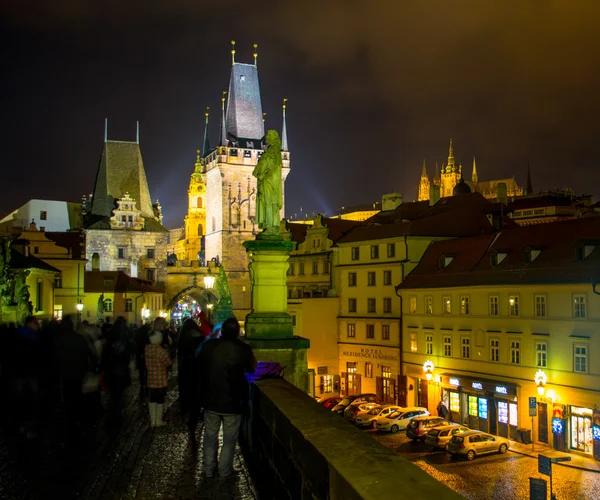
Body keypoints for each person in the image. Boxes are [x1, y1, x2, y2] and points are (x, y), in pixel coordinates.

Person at [198, 317, 257, 478]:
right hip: (233, 400)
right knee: (230, 439)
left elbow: (199, 367)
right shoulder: (243, 348)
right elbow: (252, 369)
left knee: (210, 436)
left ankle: (208, 469)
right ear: (237, 332)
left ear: (222, 331)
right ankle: (224, 471)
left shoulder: (209, 346)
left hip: (210, 398)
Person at [55, 315, 93, 440]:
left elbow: (55, 356)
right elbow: (85, 354)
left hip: (66, 372)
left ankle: (69, 416)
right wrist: (85, 369)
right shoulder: (79, 338)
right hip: (78, 372)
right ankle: (76, 416)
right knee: (77, 394)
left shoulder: (59, 339)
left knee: (67, 394)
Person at [100, 316, 133, 426]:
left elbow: (104, 356)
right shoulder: (125, 339)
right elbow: (131, 351)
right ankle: (116, 414)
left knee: (113, 393)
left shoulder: (110, 339)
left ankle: (112, 413)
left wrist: (102, 368)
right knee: (118, 394)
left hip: (112, 370)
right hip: (120, 370)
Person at [13, 316, 41, 439]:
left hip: (18, 371)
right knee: (32, 399)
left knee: (20, 398)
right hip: (31, 372)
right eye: (36, 323)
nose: (38, 325)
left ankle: (20, 424)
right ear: (30, 323)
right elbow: (39, 354)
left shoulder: (16, 335)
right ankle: (29, 426)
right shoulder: (34, 337)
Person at [177, 318, 205, 431]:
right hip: (197, 367)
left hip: (185, 367)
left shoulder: (182, 338)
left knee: (187, 389)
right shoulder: (200, 337)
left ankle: (187, 410)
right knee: (196, 391)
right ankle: (196, 413)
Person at [145, 317, 172, 427]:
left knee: (152, 399)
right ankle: (159, 420)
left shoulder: (147, 349)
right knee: (160, 399)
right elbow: (167, 362)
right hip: (160, 378)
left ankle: (153, 421)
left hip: (151, 377)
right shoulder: (160, 350)